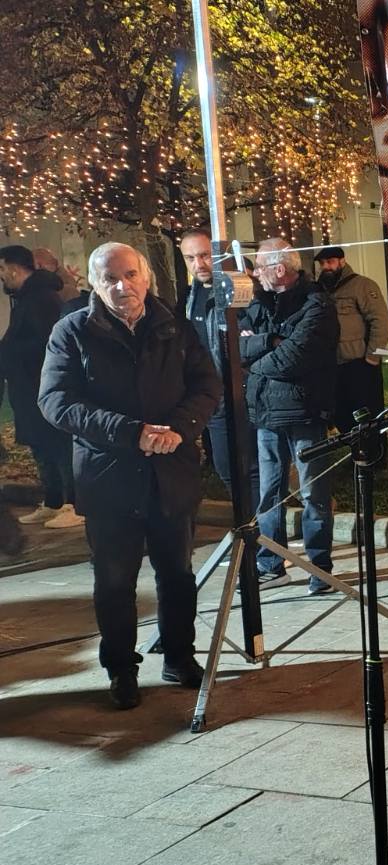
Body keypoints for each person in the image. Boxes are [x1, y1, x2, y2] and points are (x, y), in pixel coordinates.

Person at [38, 242, 221, 709]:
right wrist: (129, 432)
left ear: (146, 277)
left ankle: (179, 655)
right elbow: (55, 400)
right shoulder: (72, 331)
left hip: (171, 474)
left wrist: (179, 429)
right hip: (109, 478)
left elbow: (206, 385)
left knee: (177, 574)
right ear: (94, 284)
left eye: (130, 275)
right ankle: (121, 668)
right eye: (110, 279)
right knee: (115, 581)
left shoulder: (174, 325)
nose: (123, 287)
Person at [240, 237, 339, 594]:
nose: (255, 274)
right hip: (266, 412)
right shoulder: (258, 303)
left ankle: (320, 568)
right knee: (269, 493)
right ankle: (271, 564)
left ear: (279, 270)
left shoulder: (317, 305)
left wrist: (255, 360)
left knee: (313, 491)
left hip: (304, 412)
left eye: (259, 266)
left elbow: (294, 358)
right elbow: (237, 347)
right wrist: (269, 341)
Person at [1, 245, 81, 528]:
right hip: (27, 387)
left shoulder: (41, 299)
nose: (1, 276)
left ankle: (75, 504)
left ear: (14, 268)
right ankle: (53, 500)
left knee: (58, 444)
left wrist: (9, 351)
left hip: (42, 385)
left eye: (2, 269)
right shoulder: (25, 299)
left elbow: (49, 342)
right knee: (41, 445)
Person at [179, 229, 260, 504]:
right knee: (226, 468)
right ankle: (248, 520)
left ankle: (262, 524)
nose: (198, 264)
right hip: (212, 395)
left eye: (204, 255)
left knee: (252, 468)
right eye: (190, 258)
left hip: (242, 391)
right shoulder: (190, 296)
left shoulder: (239, 288)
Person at [315, 246, 388, 434]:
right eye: (322, 263)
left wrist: (372, 358)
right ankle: (354, 448)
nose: (326, 267)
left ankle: (372, 451)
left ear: (342, 261)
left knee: (367, 418)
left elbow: (381, 321)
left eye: (330, 262)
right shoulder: (320, 289)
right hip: (332, 366)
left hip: (358, 365)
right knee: (342, 417)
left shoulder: (362, 286)